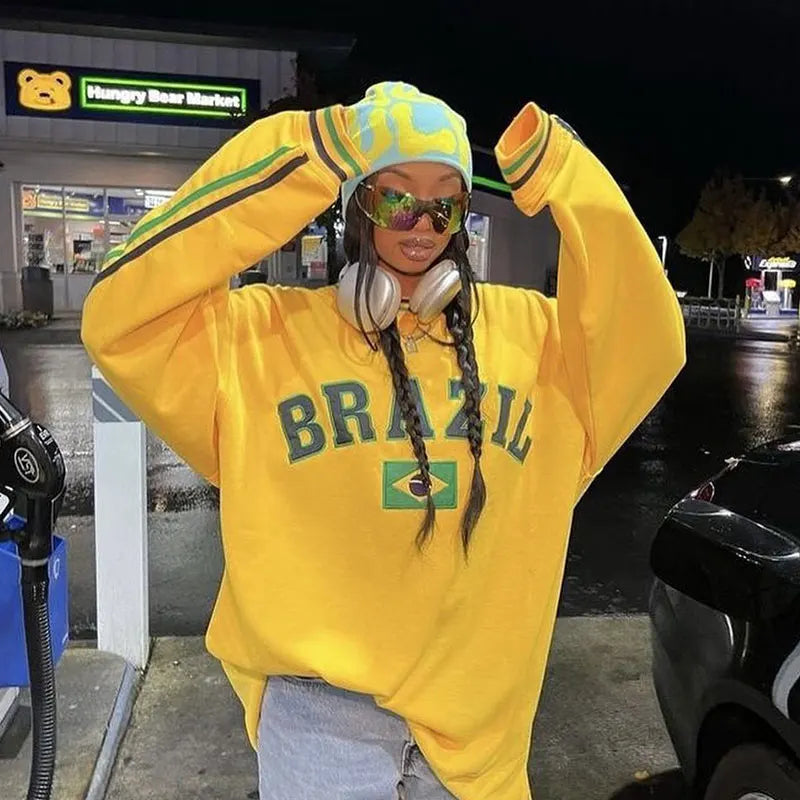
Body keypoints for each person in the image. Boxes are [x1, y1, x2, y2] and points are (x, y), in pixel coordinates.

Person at [81, 82, 686, 800]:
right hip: (318, 718)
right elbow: (120, 314)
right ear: (356, 207)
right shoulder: (259, 338)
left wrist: (563, 171)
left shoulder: (539, 341)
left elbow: (651, 337)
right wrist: (310, 153)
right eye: (396, 199)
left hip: (480, 733)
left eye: (444, 205)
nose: (421, 223)